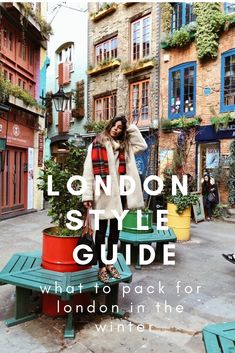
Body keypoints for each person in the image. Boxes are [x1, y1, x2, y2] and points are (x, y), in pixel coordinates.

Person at [82, 116, 147, 283]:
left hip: (120, 196)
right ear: (109, 125)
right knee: (101, 233)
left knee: (115, 234)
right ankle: (102, 266)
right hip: (104, 194)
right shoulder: (97, 144)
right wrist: (87, 195)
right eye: (115, 125)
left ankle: (110, 263)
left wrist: (130, 127)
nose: (116, 129)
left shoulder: (126, 148)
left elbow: (142, 145)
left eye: (120, 127)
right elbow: (88, 172)